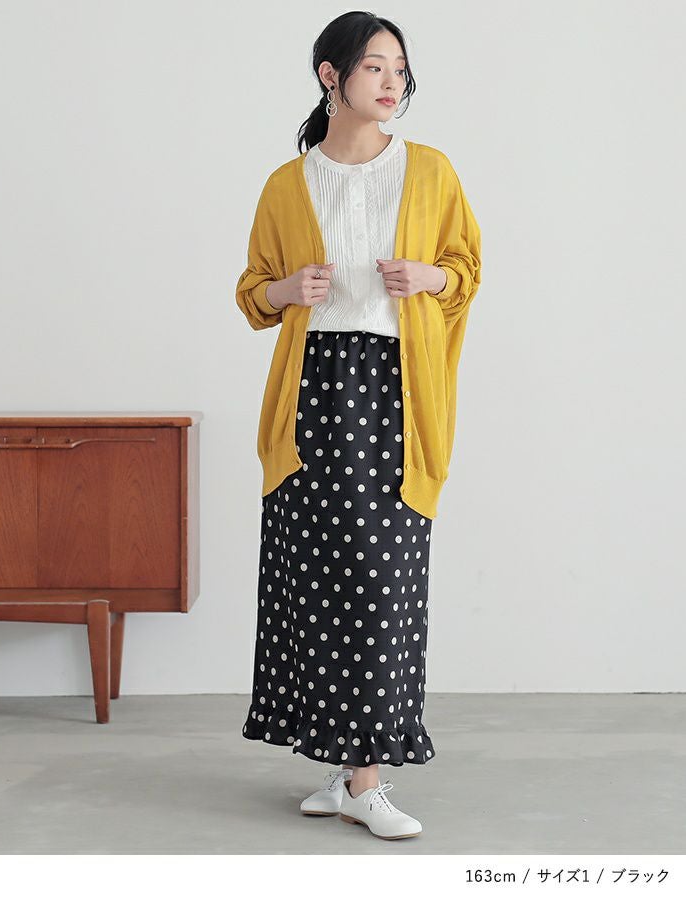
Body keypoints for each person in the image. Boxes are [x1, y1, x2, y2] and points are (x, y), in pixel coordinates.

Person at [236, 11, 482, 841]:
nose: (392, 82)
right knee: (316, 582)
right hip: (312, 397)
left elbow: (466, 270)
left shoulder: (430, 171)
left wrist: (428, 277)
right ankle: (352, 778)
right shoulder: (287, 184)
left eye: (399, 70)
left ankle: (363, 777)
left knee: (382, 581)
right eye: (375, 66)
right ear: (330, 76)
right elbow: (253, 293)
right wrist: (286, 292)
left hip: (395, 396)